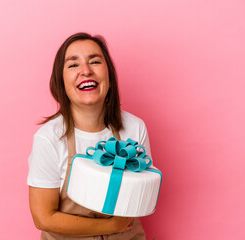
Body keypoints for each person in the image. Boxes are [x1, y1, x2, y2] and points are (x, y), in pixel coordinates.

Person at [27, 32, 153, 239]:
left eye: (94, 61)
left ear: (109, 76)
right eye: (73, 65)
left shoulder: (135, 128)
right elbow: (43, 218)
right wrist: (111, 226)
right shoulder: (49, 137)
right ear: (61, 82)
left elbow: (140, 194)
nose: (86, 71)